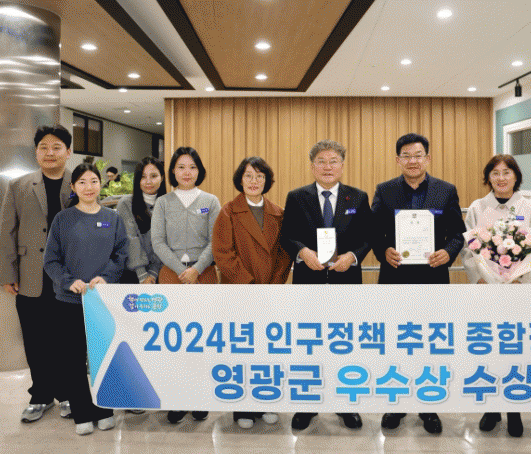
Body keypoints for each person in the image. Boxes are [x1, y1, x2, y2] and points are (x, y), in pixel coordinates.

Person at [371, 133, 466, 435]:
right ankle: (396, 404)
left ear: (428, 158)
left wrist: (448, 252)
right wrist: (383, 251)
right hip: (395, 279)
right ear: (398, 160)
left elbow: (458, 234)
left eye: (418, 155)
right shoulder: (384, 190)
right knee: (395, 342)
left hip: (432, 278)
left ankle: (428, 406)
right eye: (406, 156)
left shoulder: (446, 190)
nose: (413, 161)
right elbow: (373, 233)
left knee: (429, 344)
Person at [280, 139, 372, 431]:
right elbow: (287, 235)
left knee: (345, 345)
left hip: (346, 284)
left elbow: (367, 237)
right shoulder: (297, 197)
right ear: (312, 166)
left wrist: (352, 257)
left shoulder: (358, 197)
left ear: (342, 166)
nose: (327, 167)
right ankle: (307, 404)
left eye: (333, 161)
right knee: (309, 345)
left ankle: (345, 405)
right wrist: (302, 252)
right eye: (321, 161)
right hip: (309, 283)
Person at [461, 154, 531, 437]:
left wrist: (521, 280)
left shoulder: (529, 208)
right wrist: (481, 279)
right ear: (488, 177)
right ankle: (491, 408)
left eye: (507, 172)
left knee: (514, 350)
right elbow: (469, 249)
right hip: (487, 292)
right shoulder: (478, 207)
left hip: (518, 291)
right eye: (495, 173)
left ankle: (514, 410)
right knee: (488, 349)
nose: (501, 178)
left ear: (516, 177)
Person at [43, 163, 128, 435]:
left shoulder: (113, 218)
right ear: (73, 187)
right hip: (69, 301)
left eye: (93, 181)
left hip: (102, 301)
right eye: (81, 182)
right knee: (73, 360)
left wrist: (106, 277)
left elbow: (121, 254)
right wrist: (68, 281)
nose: (88, 187)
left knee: (104, 357)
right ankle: (82, 413)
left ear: (100, 184)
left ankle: (104, 410)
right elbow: (51, 260)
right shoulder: (62, 219)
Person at [0, 125, 73, 422]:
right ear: (36, 151)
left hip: (69, 277)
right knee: (35, 339)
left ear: (68, 152)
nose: (49, 152)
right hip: (31, 275)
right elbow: (7, 231)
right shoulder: (18, 185)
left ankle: (67, 393)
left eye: (56, 147)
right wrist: (8, 273)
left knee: (67, 340)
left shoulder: (80, 182)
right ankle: (40, 395)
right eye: (43, 147)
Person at [213, 157, 292, 429]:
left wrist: (274, 284)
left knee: (268, 351)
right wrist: (249, 286)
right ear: (240, 179)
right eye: (248, 175)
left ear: (267, 181)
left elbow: (284, 255)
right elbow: (223, 254)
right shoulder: (228, 212)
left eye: (259, 176)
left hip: (270, 294)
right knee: (242, 351)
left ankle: (267, 401)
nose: (254, 181)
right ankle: (243, 408)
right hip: (239, 294)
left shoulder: (278, 213)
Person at [151, 147, 220, 424]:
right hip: (172, 276)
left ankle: (200, 397)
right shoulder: (163, 203)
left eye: (192, 167)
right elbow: (158, 242)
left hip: (204, 275)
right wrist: (182, 271)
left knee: (202, 340)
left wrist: (197, 269)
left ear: (199, 170)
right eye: (181, 167)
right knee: (175, 341)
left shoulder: (210, 201)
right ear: (173, 171)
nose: (187, 172)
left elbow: (216, 241)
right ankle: (178, 398)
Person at [116, 157, 167, 285]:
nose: (148, 181)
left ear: (162, 177)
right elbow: (130, 239)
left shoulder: (169, 205)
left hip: (160, 273)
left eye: (154, 176)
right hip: (132, 274)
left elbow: (166, 242)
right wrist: (143, 275)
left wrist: (154, 272)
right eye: (143, 177)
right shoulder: (126, 204)